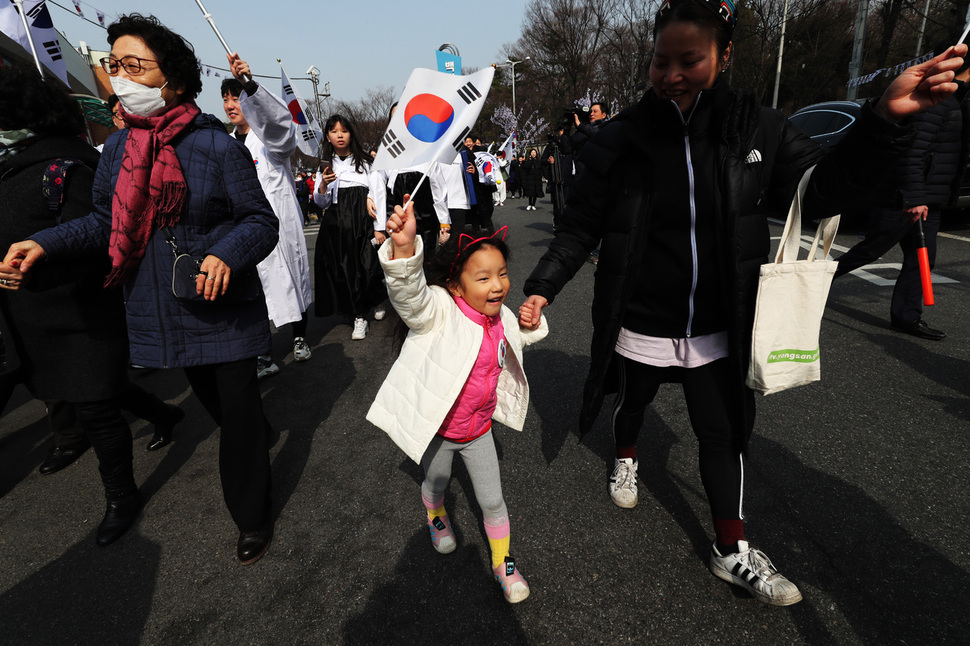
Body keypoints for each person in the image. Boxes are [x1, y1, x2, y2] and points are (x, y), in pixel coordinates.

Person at [518, 0, 966, 606]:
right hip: (643, 314)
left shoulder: (759, 126)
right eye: (661, 61)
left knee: (722, 431)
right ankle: (625, 456)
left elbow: (825, 188)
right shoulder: (623, 137)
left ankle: (732, 549)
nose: (672, 74)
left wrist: (884, 117)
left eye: (690, 60)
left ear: (724, 55)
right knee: (634, 400)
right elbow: (581, 225)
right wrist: (544, 283)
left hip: (722, 319)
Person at [4, 14, 283, 565]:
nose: (122, 76)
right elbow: (105, 221)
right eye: (116, 65)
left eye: (136, 65)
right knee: (223, 410)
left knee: (239, 422)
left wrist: (226, 254)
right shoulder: (117, 152)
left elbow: (259, 221)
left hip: (223, 309)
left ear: (173, 81)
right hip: (163, 310)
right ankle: (251, 430)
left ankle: (251, 516)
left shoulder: (216, 146)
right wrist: (46, 243)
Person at [0, 65, 179, 544]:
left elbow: (102, 235)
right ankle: (167, 414)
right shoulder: (8, 168)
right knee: (102, 393)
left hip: (82, 312)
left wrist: (43, 254)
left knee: (96, 408)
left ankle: (121, 495)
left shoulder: (65, 167)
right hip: (30, 316)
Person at [366, 196, 548, 604]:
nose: (498, 284)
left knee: (493, 499)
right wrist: (403, 249)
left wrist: (530, 322)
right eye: (482, 278)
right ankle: (435, 513)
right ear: (455, 284)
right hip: (440, 430)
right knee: (436, 481)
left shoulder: (499, 318)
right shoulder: (440, 310)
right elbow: (411, 296)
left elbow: (517, 341)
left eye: (502, 274)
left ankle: (503, 563)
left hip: (479, 430)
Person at [832, 52, 970, 340]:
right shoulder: (937, 95)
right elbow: (913, 150)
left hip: (930, 198)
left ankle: (906, 317)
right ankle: (803, 287)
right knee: (869, 250)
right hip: (905, 197)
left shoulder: (958, 98)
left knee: (921, 259)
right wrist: (915, 196)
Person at [223, 54, 314, 376]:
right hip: (246, 228)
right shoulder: (227, 145)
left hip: (279, 225)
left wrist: (249, 83)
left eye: (236, 97)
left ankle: (300, 336)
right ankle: (262, 352)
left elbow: (279, 125)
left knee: (292, 279)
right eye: (226, 99)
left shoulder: (269, 141)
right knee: (255, 289)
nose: (231, 104)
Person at [312, 114, 387, 340]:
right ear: (327, 136)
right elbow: (321, 202)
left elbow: (378, 192)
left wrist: (379, 227)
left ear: (350, 134)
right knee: (345, 270)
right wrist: (324, 184)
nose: (339, 135)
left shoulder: (364, 163)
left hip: (361, 223)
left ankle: (375, 297)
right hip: (336, 226)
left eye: (343, 131)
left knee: (368, 266)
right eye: (334, 132)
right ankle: (358, 315)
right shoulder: (325, 166)